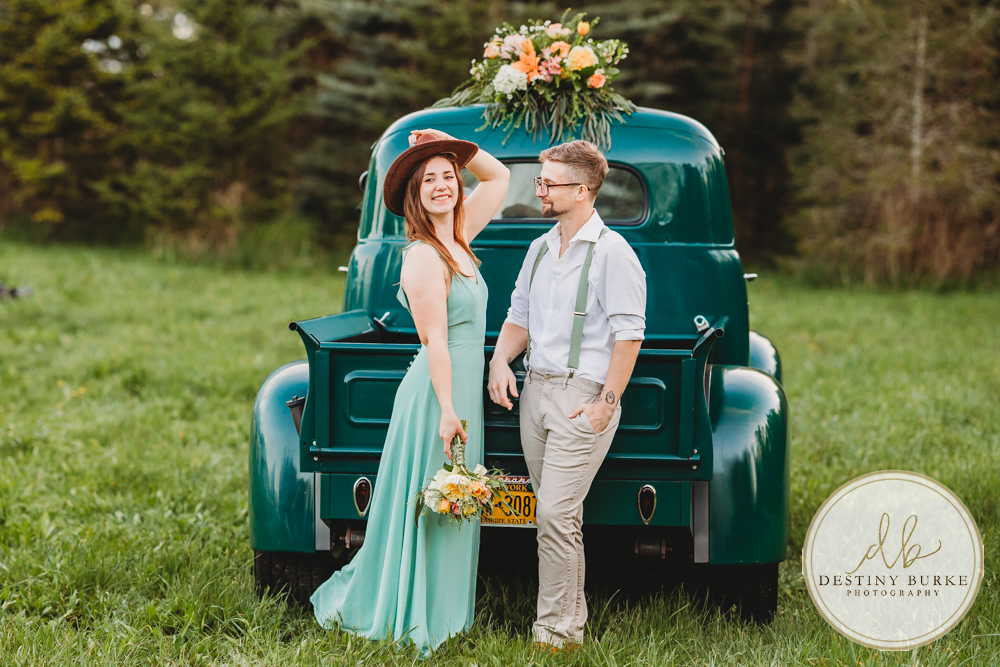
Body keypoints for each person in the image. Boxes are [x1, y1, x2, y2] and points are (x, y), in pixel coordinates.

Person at [310, 129, 509, 655]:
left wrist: (448, 143)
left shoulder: (460, 234)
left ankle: (447, 615)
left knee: (455, 501)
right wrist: (448, 410)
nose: (442, 186)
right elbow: (435, 341)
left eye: (449, 177)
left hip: (461, 389)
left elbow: (500, 175)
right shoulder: (423, 256)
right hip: (437, 394)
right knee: (434, 500)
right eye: (429, 180)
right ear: (414, 196)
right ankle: (416, 614)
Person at [488, 140, 647, 651]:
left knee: (555, 514)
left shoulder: (614, 253)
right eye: (539, 180)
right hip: (535, 392)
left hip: (582, 398)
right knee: (557, 515)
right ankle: (568, 623)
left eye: (547, 183)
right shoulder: (539, 248)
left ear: (582, 191)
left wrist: (605, 403)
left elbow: (630, 334)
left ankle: (555, 633)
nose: (538, 190)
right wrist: (498, 360)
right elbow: (520, 318)